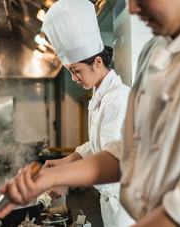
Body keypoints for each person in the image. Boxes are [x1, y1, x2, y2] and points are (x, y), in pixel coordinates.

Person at [0, 0, 180, 226]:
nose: (131, 8)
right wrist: (49, 178)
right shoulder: (156, 51)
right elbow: (130, 150)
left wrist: (64, 176)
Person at [40, 0, 134, 226]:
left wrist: (66, 178)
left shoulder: (118, 99)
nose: (73, 78)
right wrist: (64, 162)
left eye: (76, 71)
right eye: (70, 71)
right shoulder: (101, 95)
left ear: (97, 62)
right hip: (113, 205)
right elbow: (99, 145)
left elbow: (113, 160)